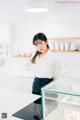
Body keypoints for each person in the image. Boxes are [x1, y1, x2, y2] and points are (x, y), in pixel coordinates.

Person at [31, 33, 62, 120]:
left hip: (49, 85)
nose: (39, 47)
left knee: (51, 111)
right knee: (36, 111)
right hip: (36, 84)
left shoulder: (54, 57)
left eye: (41, 43)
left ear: (46, 42)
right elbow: (31, 66)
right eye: (36, 44)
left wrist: (55, 90)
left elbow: (57, 77)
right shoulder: (35, 55)